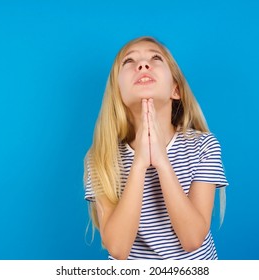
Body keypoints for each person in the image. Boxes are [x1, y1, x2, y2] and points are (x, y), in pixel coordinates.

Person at [84, 36, 228, 260]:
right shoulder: (100, 158)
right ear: (117, 94)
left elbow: (192, 239)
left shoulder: (203, 146)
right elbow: (118, 249)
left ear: (175, 89)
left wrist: (161, 161)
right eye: (129, 61)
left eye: (155, 57)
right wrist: (140, 163)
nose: (142, 64)